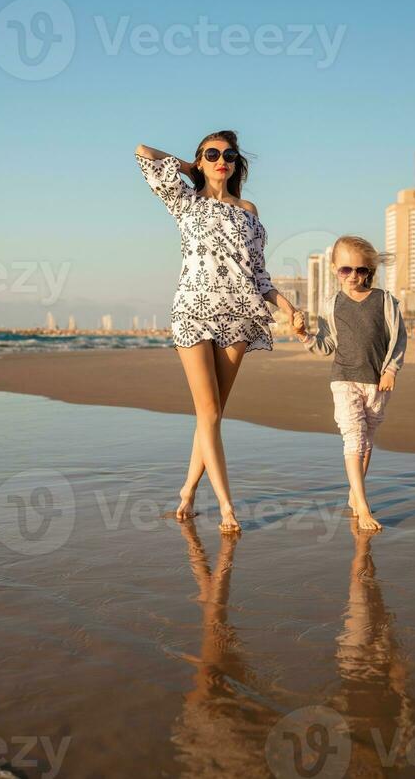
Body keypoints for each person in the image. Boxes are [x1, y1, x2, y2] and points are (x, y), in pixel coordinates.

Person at [135, 130, 297, 534]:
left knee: (212, 416)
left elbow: (260, 276)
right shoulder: (185, 201)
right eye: (212, 154)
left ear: (236, 162)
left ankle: (188, 491)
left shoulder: (249, 209)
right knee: (207, 412)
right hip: (193, 312)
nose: (221, 159)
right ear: (200, 160)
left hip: (238, 318)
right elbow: (143, 152)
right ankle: (227, 506)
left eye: (228, 154)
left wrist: (290, 308)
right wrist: (190, 168)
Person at [292, 235, 407, 532]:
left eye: (361, 270)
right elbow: (326, 345)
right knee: (354, 438)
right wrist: (304, 335)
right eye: (346, 270)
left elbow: (398, 339)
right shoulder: (331, 305)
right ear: (334, 269)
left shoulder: (384, 301)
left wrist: (391, 370)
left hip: (377, 382)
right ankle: (364, 505)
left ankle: (354, 494)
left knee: (366, 441)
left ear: (369, 271)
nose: (353, 276)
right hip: (343, 380)